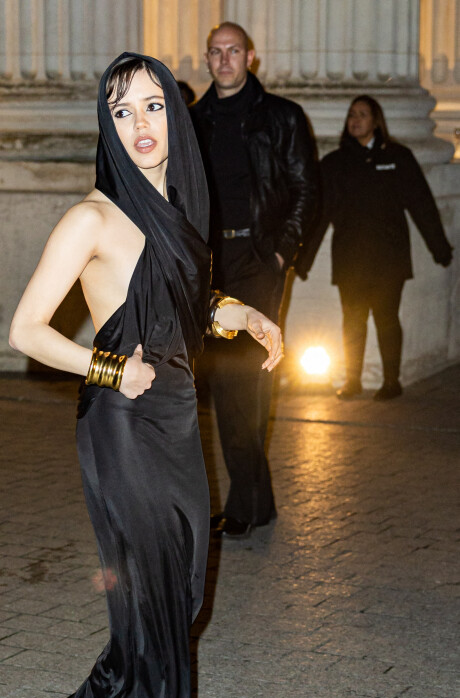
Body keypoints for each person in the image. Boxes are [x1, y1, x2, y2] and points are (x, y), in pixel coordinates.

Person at [9, 53, 282, 698]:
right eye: (122, 111)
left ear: (177, 114)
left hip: (174, 417)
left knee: (178, 601)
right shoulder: (90, 218)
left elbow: (194, 302)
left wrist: (248, 316)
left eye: (154, 106)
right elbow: (25, 330)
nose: (141, 126)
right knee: (157, 611)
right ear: (107, 123)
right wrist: (104, 364)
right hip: (121, 425)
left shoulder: (181, 211)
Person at [190, 21, 318, 538]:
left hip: (259, 259)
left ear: (251, 57)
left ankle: (244, 505)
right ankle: (255, 502)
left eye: (234, 51)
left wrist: (283, 253)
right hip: (212, 262)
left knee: (249, 376)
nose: (224, 60)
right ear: (207, 60)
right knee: (225, 382)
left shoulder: (282, 117)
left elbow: (308, 188)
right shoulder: (193, 121)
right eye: (216, 52)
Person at [296, 94, 452, 401]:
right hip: (350, 259)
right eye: (352, 114)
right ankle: (352, 379)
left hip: (388, 259)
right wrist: (303, 260)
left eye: (363, 114)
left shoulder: (398, 157)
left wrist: (439, 248)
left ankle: (391, 381)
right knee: (352, 322)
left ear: (376, 121)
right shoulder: (335, 163)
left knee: (386, 319)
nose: (355, 120)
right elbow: (321, 214)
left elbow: (422, 205)